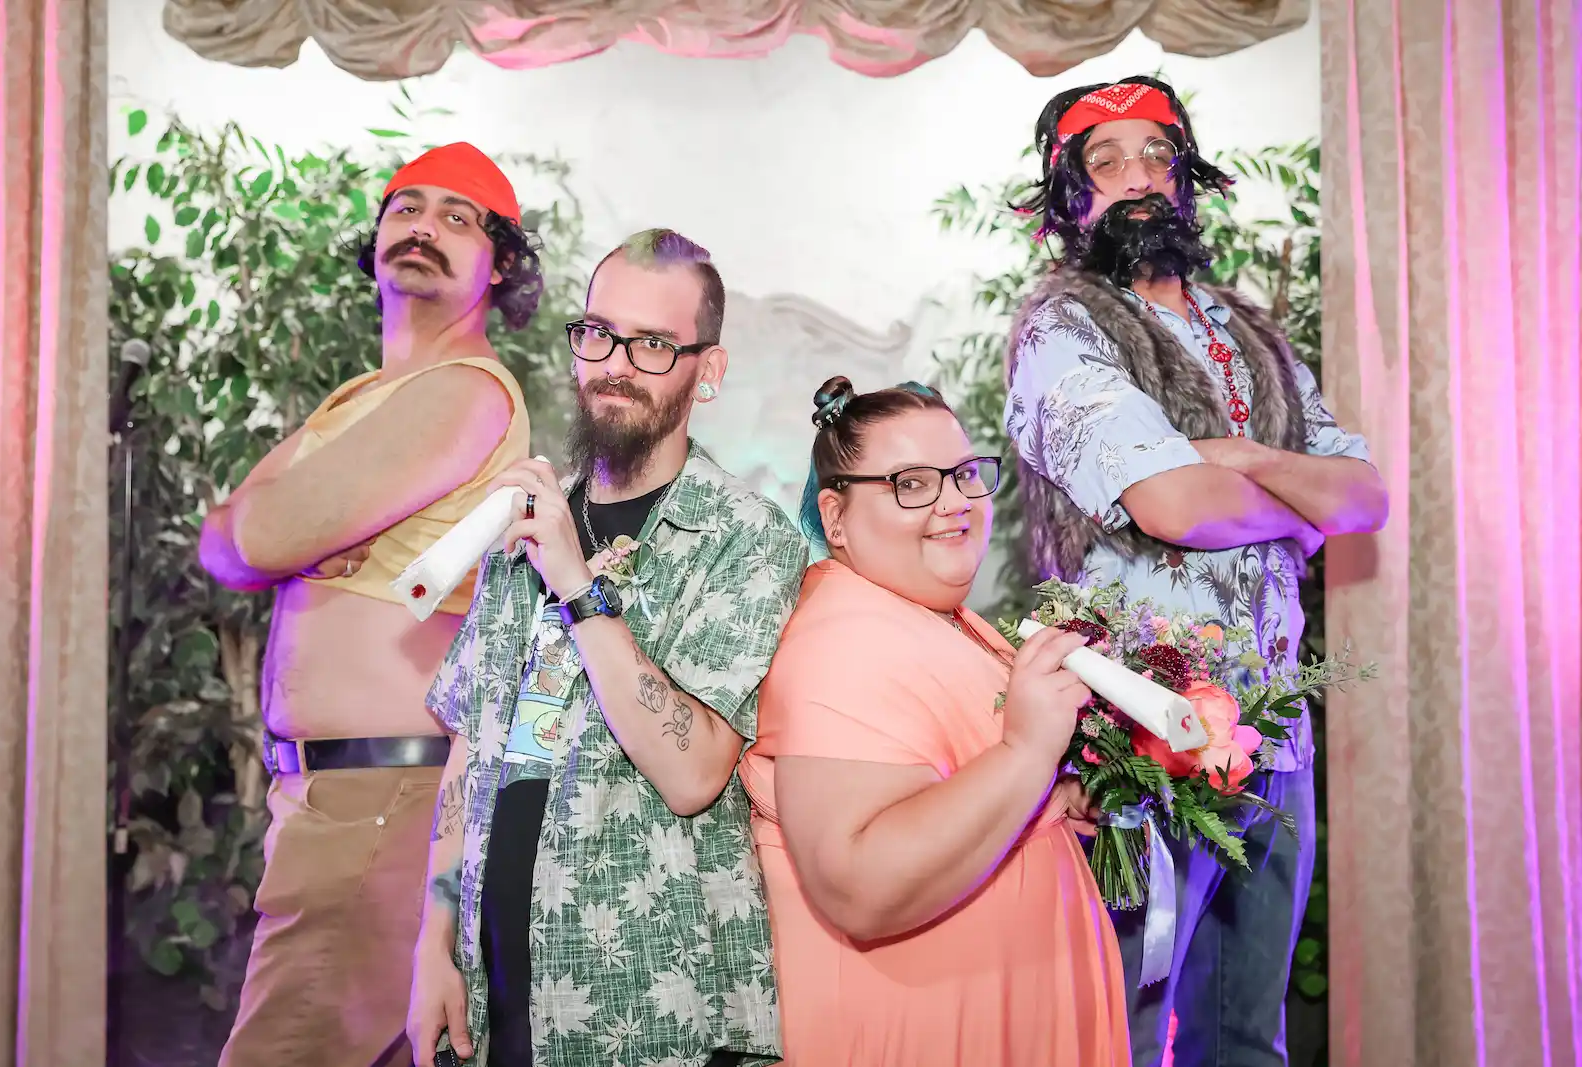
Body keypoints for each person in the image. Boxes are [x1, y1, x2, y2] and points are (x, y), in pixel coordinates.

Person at [1004, 77, 1389, 1067]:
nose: (1136, 179)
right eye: (1104, 161)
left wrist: (1244, 457)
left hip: (1275, 732)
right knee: (1119, 1021)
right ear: (1069, 194)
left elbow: (1365, 499)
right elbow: (1172, 506)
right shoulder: (1064, 329)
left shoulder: (1247, 334)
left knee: (1243, 1033)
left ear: (1186, 178)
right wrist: (1293, 510)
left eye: (1156, 156)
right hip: (1135, 731)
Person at [407, 229, 808, 1067]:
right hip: (494, 1001)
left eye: (653, 344)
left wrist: (579, 585)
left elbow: (695, 770)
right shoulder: (523, 522)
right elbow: (466, 752)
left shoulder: (746, 538)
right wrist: (432, 942)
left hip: (656, 1009)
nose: (613, 362)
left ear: (710, 371)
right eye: (595, 331)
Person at [198, 142, 542, 1067]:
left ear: (501, 263)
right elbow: (221, 542)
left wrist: (284, 541)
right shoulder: (363, 398)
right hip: (331, 796)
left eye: (456, 217)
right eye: (405, 208)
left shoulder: (463, 392)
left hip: (382, 796)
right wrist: (279, 536)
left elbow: (258, 537)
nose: (422, 227)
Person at [739, 376, 1131, 1067]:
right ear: (835, 518)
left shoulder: (937, 619)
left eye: (963, 475)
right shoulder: (841, 640)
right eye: (911, 484)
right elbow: (858, 883)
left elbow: (947, 791)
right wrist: (1026, 756)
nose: (953, 502)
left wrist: (1052, 794)